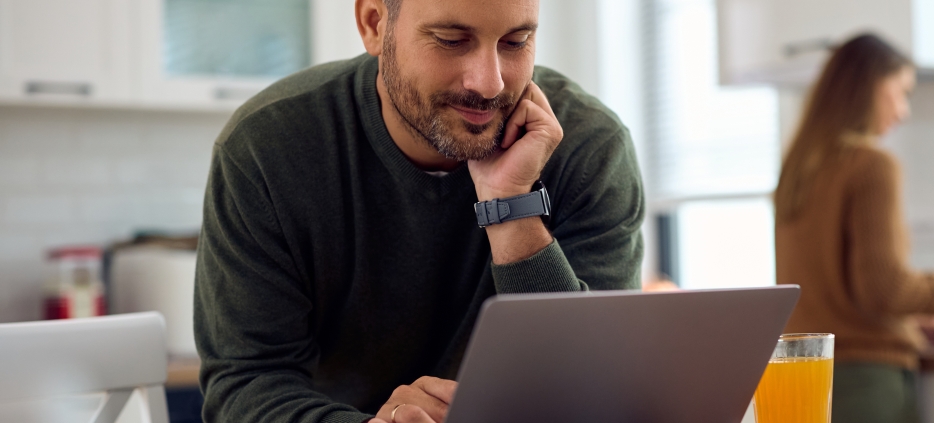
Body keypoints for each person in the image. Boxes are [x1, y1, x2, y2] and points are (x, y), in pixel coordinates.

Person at [192, 0, 645, 422]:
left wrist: (509, 204)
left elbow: (597, 393)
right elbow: (245, 384)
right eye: (451, 40)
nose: (490, 83)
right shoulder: (267, 147)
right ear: (374, 24)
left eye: (515, 42)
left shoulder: (588, 148)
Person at [773, 33, 934, 423]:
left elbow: (834, 294)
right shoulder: (870, 165)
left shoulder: (798, 172)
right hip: (867, 383)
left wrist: (911, 319)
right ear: (868, 87)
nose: (904, 111)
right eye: (901, 92)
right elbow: (885, 289)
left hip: (803, 379)